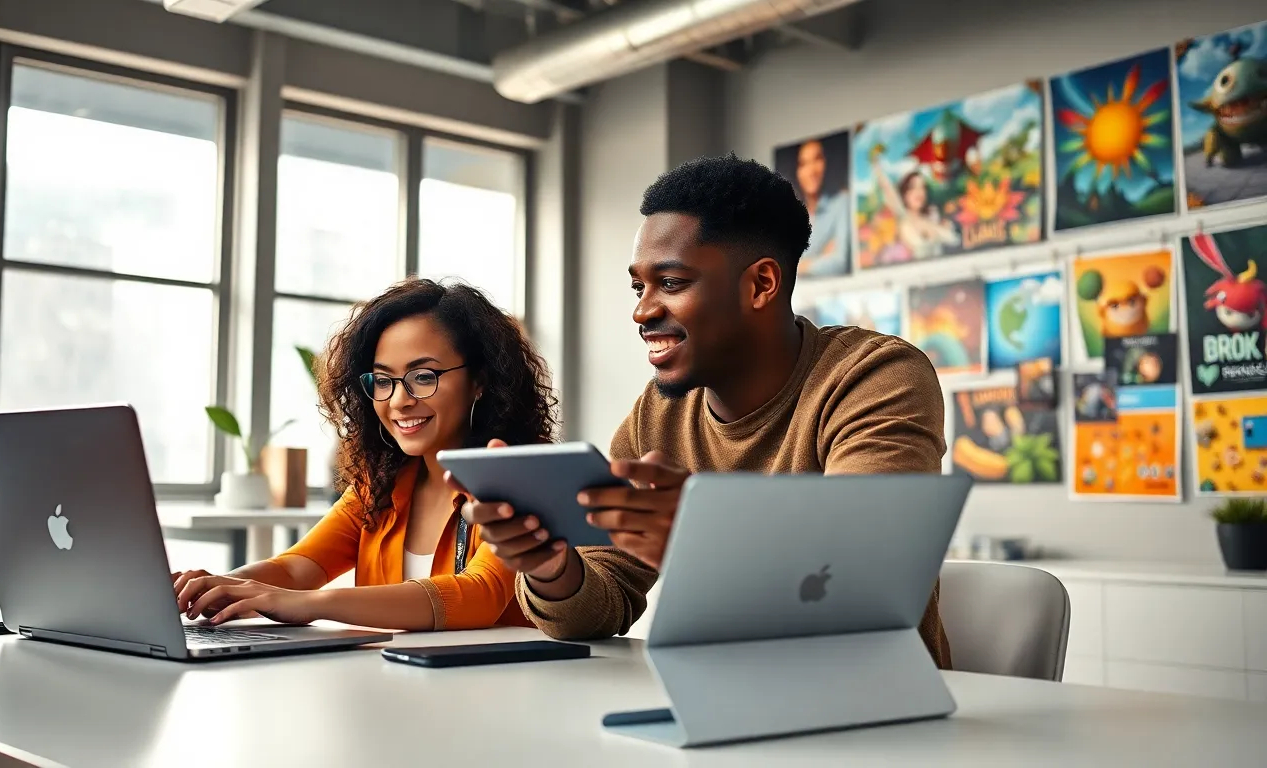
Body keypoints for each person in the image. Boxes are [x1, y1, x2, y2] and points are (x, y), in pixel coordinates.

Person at [461, 153, 953, 669]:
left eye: (671, 283)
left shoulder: (874, 377)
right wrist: (552, 568)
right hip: (725, 700)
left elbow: (863, 574)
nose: (642, 311)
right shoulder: (657, 417)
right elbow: (600, 606)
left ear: (761, 284)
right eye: (638, 286)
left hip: (874, 708)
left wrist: (707, 537)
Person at [174, 279, 557, 630]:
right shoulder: (381, 486)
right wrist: (218, 586)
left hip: (498, 690)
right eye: (384, 380)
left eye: (423, 376)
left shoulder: (519, 479)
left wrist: (314, 604)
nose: (399, 401)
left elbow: (479, 596)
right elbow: (297, 568)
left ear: (480, 382)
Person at [792, 138, 850, 278]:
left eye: (817, 159)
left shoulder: (841, 203)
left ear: (827, 163)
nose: (811, 170)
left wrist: (799, 265)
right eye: (803, 164)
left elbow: (839, 262)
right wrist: (821, 257)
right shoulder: (792, 217)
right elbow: (781, 267)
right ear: (797, 171)